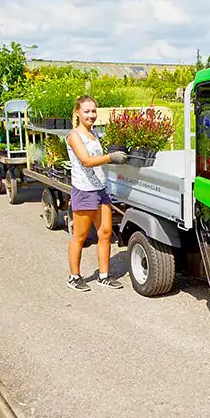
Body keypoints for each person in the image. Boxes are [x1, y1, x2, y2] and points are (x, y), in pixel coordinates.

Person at [65, 95, 127, 292]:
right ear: (77, 113)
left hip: (100, 189)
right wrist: (110, 157)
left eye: (93, 111)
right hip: (84, 190)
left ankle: (104, 276)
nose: (91, 115)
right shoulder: (74, 136)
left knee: (106, 232)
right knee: (80, 236)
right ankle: (74, 276)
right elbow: (86, 161)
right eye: (86, 111)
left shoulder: (94, 134)